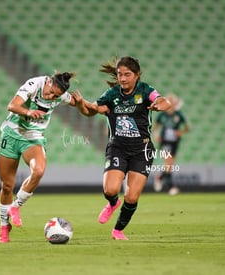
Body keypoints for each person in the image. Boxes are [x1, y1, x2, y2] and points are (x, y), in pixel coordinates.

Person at [72, 56, 171, 240]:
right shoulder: (111, 94)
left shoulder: (145, 90)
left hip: (142, 150)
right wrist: (80, 104)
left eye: (127, 74)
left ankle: (117, 230)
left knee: (132, 197)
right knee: (110, 190)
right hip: (118, 147)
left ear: (137, 75)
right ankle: (112, 203)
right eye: (120, 75)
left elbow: (165, 101)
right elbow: (92, 110)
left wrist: (158, 106)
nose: (123, 78)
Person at [0, 71, 81, 243]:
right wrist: (29, 112)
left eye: (56, 95)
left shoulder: (60, 95)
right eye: (51, 92)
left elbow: (79, 104)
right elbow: (12, 106)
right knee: (7, 186)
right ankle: (4, 226)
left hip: (33, 137)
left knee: (39, 170)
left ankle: (15, 207)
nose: (51, 97)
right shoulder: (33, 84)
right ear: (49, 81)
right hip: (11, 134)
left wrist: (82, 104)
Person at [152, 93, 190, 195]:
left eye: (172, 101)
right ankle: (171, 187)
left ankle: (159, 178)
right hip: (165, 141)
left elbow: (187, 128)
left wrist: (180, 132)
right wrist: (156, 135)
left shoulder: (178, 114)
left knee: (170, 166)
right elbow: (155, 127)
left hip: (175, 142)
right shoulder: (162, 115)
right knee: (168, 164)